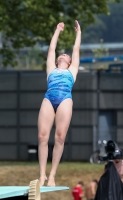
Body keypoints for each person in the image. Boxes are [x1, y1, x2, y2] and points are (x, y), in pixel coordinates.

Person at [38, 20, 81, 186]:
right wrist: (57, 30)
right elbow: (51, 49)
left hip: (65, 99)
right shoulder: (51, 69)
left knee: (60, 137)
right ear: (57, 61)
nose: (63, 55)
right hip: (49, 98)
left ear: (70, 62)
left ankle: (52, 175)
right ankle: (42, 175)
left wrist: (78, 33)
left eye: (66, 55)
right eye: (61, 55)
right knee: (42, 136)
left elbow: (76, 50)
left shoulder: (72, 70)